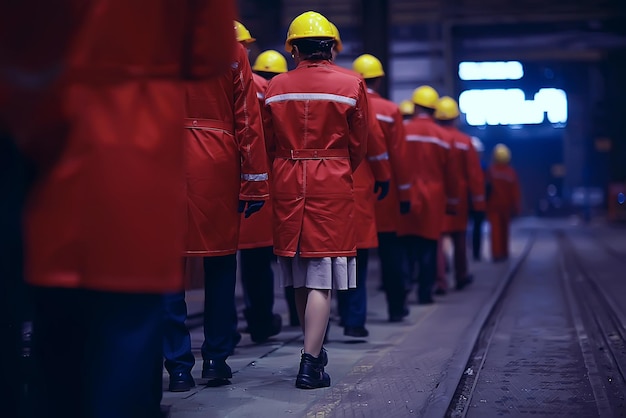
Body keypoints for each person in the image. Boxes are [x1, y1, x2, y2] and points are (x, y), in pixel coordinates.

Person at [1, 1, 238, 417]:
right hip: (138, 138)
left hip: (49, 137)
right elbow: (209, 54)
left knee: (54, 324)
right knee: (129, 316)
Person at [263, 10, 368, 388]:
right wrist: (334, 164)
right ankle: (310, 363)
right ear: (332, 49)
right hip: (332, 180)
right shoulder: (351, 84)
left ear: (293, 50)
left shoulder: (275, 88)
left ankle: (310, 353)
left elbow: (269, 143)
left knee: (297, 272)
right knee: (322, 274)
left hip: (287, 178)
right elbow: (359, 146)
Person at [164, 24, 270, 391]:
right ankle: (216, 359)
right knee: (221, 262)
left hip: (164, 160)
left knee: (165, 266)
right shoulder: (232, 50)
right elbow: (247, 120)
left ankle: (177, 367)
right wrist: (255, 183)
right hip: (216, 161)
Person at [327, 25, 392, 339]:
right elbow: (373, 141)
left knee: (322, 257)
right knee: (357, 256)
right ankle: (353, 320)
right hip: (356, 181)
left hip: (312, 181)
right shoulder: (353, 88)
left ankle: (319, 324)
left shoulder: (284, 86)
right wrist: (383, 177)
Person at [351, 53, 413, 322]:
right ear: (379, 79)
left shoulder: (349, 102)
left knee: (355, 254)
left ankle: (352, 315)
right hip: (384, 192)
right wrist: (405, 193)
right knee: (391, 253)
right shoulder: (390, 110)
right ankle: (396, 308)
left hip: (354, 187)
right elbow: (399, 157)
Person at [235, 25, 286, 343]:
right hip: (256, 177)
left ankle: (223, 330)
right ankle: (261, 322)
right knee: (257, 260)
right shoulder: (263, 89)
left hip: (215, 178)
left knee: (220, 261)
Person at [397, 86, 460, 305]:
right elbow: (452, 175)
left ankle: (403, 287)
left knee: (404, 245)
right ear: (434, 110)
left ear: (414, 107)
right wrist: (452, 202)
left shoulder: (402, 131)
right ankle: (425, 292)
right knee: (428, 246)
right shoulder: (443, 137)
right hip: (433, 199)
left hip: (404, 195)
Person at [434, 97, 486, 291]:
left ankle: (439, 280)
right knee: (459, 237)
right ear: (456, 118)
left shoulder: (435, 138)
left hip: (437, 196)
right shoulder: (466, 142)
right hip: (460, 197)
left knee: (437, 238)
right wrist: (479, 203)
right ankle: (461, 275)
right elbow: (475, 175)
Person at [486, 143, 521, 262]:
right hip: (506, 206)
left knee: (495, 230)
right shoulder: (511, 172)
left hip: (493, 205)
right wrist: (516, 207)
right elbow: (515, 191)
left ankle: (497, 253)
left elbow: (486, 188)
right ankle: (504, 252)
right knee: (505, 230)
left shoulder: (491, 171)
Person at [470, 136, 488, 261]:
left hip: (476, 203)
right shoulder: (482, 167)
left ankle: (476, 253)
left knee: (476, 229)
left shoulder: (483, 167)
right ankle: (474, 253)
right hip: (471, 203)